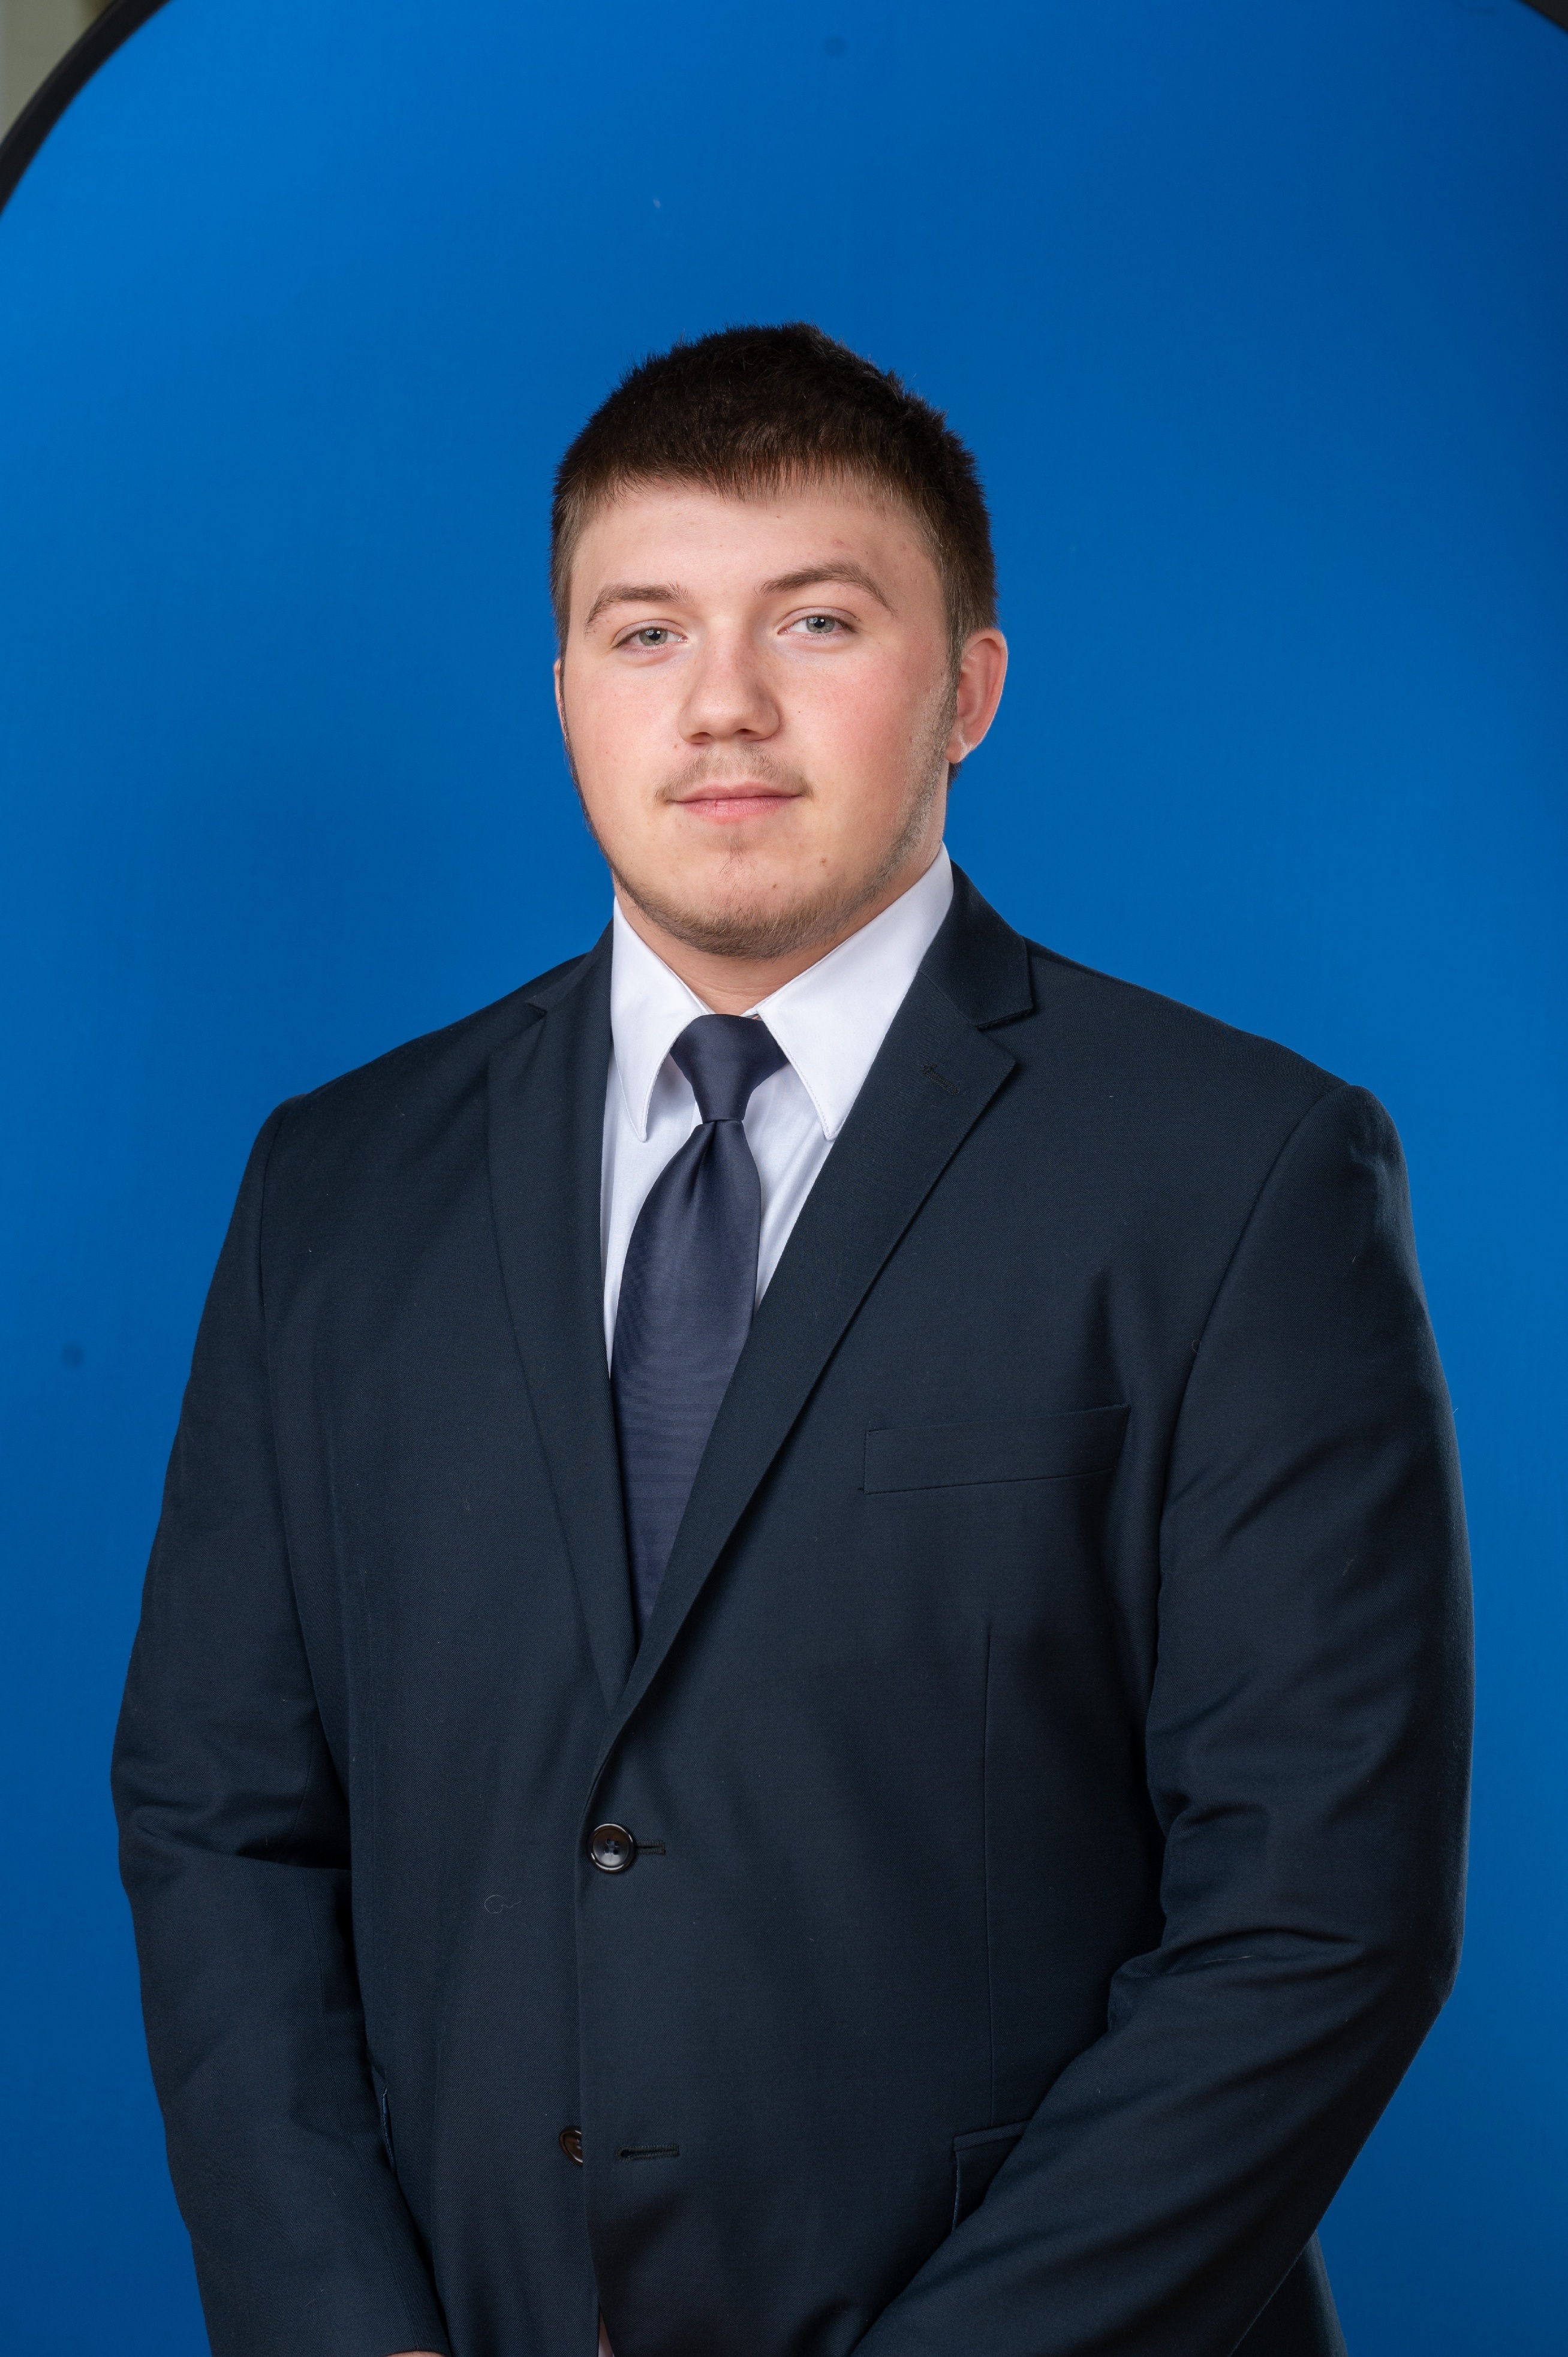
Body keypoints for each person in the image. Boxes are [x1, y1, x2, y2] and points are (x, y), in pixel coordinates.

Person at [112, 323, 1472, 2357]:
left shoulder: (1241, 1175)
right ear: (566, 689)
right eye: (645, 629)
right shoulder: (336, 1184)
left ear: (969, 688)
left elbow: (1321, 1906)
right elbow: (219, 1807)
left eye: (817, 620)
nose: (723, 703)